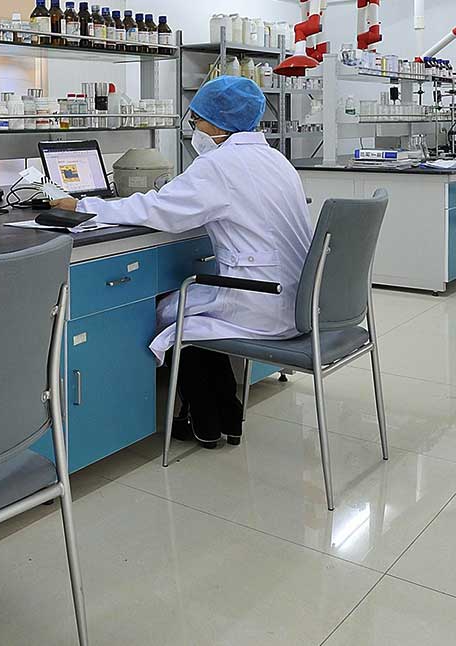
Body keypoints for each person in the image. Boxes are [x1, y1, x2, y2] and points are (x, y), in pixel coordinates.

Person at [50, 76, 312, 449]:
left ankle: (204, 417)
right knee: (188, 309)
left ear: (219, 123)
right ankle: (223, 414)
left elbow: (157, 209)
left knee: (167, 311)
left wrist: (83, 205)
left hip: (260, 303)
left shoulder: (220, 164)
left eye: (198, 120)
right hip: (293, 299)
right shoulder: (274, 159)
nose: (195, 129)